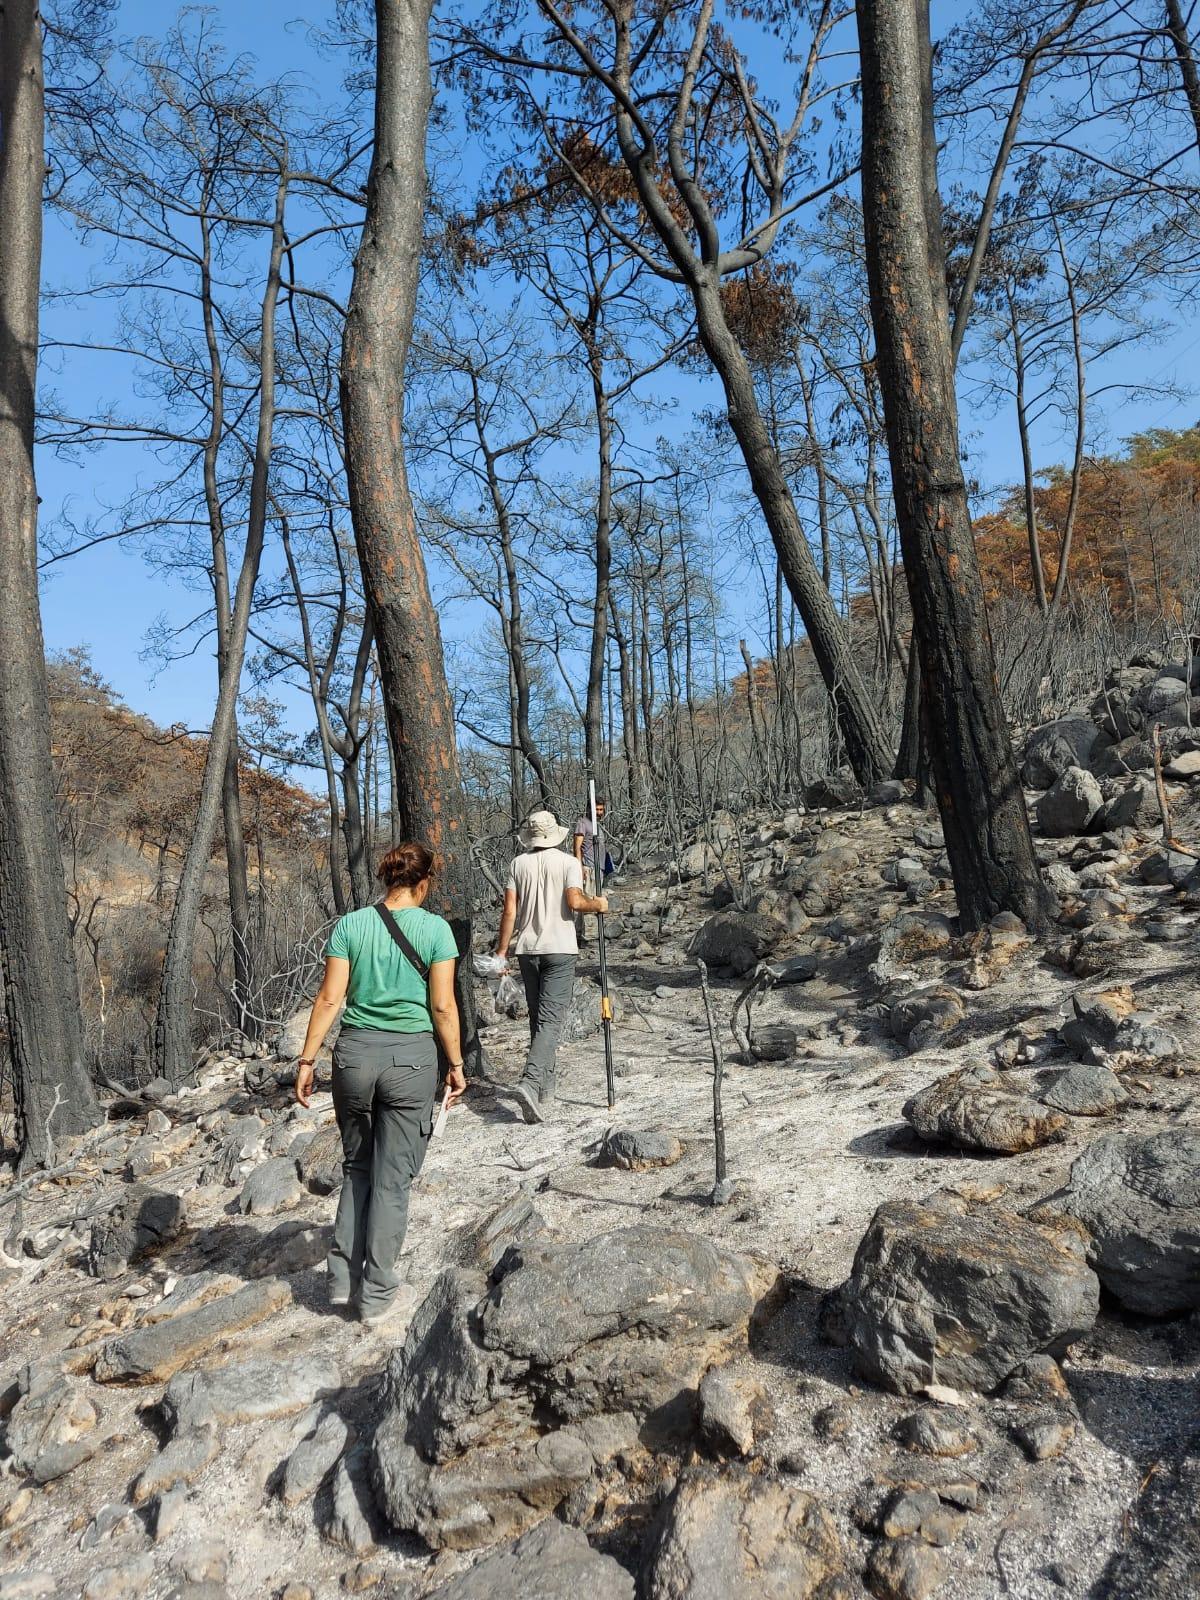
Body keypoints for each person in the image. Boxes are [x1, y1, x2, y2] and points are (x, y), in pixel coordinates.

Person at [294, 841, 467, 1324]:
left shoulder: (351, 925)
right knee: (393, 1181)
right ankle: (375, 1296)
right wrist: (455, 1063)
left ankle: (341, 1282)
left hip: (354, 1059)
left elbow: (329, 1000)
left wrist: (307, 1060)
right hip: (411, 1060)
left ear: (387, 880)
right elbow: (442, 1007)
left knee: (357, 1170)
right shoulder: (436, 931)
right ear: (424, 882)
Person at [496, 809, 608, 1123]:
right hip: (559, 949)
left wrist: (502, 951)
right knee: (550, 1021)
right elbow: (575, 902)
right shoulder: (568, 863)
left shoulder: (518, 864)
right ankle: (531, 1084)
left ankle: (545, 1089)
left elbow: (509, 912)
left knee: (539, 1018)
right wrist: (597, 904)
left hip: (527, 950)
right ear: (554, 835)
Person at [572, 795, 608, 948]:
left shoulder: (597, 826)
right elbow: (577, 847)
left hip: (598, 869)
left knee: (595, 901)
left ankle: (587, 936)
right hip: (588, 868)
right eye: (596, 809)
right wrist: (580, 867)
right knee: (588, 903)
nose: (599, 812)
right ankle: (585, 938)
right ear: (589, 809)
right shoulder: (582, 823)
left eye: (601, 809)